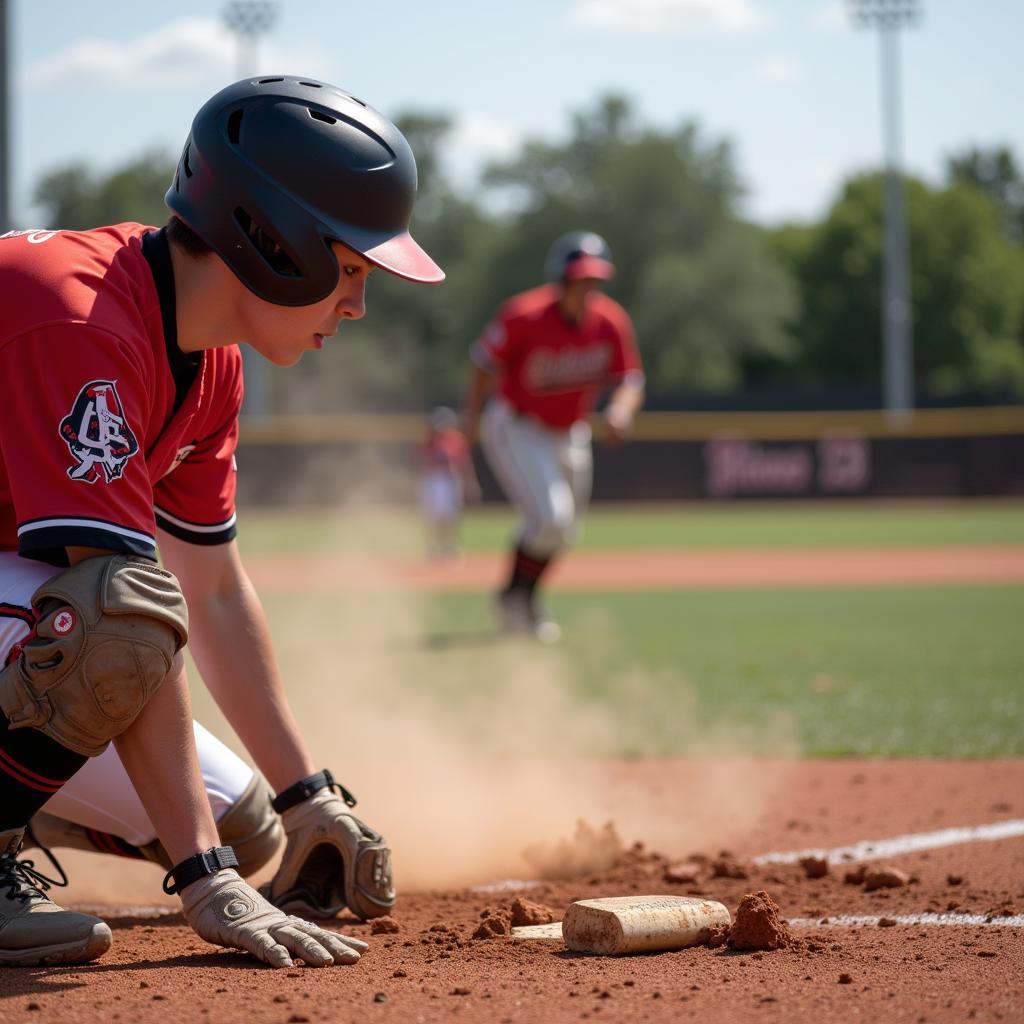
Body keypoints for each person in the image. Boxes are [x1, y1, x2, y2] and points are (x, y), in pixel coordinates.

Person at [0, 75, 443, 968]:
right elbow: (132, 611)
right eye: (351, 269)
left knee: (243, 829)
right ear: (272, 242)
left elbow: (213, 589)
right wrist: (204, 881)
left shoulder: (211, 364)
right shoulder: (77, 315)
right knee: (116, 622)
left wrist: (306, 796)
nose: (356, 304)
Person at [462, 232, 644, 641]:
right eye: (580, 279)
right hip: (518, 425)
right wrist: (469, 423)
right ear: (561, 278)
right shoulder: (523, 314)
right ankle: (514, 600)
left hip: (570, 430)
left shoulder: (610, 320)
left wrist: (620, 409)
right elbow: (482, 364)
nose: (588, 287)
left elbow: (631, 377)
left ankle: (520, 598)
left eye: (594, 280)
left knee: (564, 531)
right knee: (549, 518)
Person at [417, 406, 480, 558]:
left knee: (451, 516)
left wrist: (470, 482)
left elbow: (464, 462)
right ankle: (433, 546)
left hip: (451, 480)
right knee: (433, 515)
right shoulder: (429, 440)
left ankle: (451, 546)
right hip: (433, 479)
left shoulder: (457, 439)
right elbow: (423, 461)